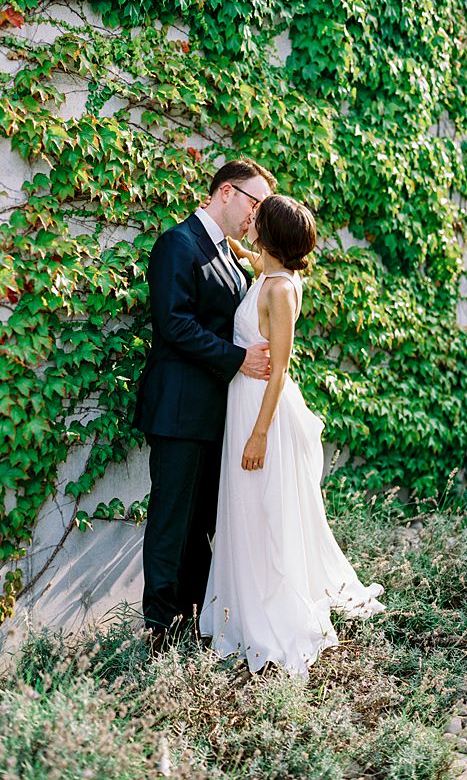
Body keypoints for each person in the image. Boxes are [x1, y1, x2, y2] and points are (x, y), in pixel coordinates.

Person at [199, 195, 385, 677]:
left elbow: (279, 369)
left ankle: (272, 619)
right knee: (246, 512)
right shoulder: (269, 271)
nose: (249, 221)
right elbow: (257, 264)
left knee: (263, 516)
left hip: (262, 411)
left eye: (257, 219)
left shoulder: (281, 289)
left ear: (271, 235)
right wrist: (240, 252)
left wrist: (258, 435)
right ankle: (239, 610)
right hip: (244, 404)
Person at [133, 158, 277, 637]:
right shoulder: (178, 244)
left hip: (216, 415)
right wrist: (238, 358)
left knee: (201, 530)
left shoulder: (230, 254)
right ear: (226, 193)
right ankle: (158, 640)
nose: (257, 215)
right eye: (254, 203)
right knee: (172, 526)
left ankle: (192, 629)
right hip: (179, 412)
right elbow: (173, 324)